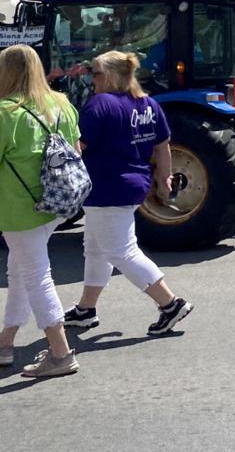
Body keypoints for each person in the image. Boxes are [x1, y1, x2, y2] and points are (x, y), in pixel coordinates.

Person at [62, 50, 192, 339]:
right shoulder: (148, 104)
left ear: (108, 76)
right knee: (96, 248)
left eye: (93, 73)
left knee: (122, 252)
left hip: (106, 186)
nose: (90, 79)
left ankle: (170, 304)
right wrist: (164, 176)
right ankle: (86, 309)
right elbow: (162, 144)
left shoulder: (100, 105)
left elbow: (77, 146)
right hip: (133, 185)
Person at [0, 45, 81, 378]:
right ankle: (5, 342)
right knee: (20, 271)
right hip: (56, 204)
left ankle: (60, 353)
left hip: (19, 208)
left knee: (35, 275)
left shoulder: (6, 112)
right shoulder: (61, 104)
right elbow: (76, 151)